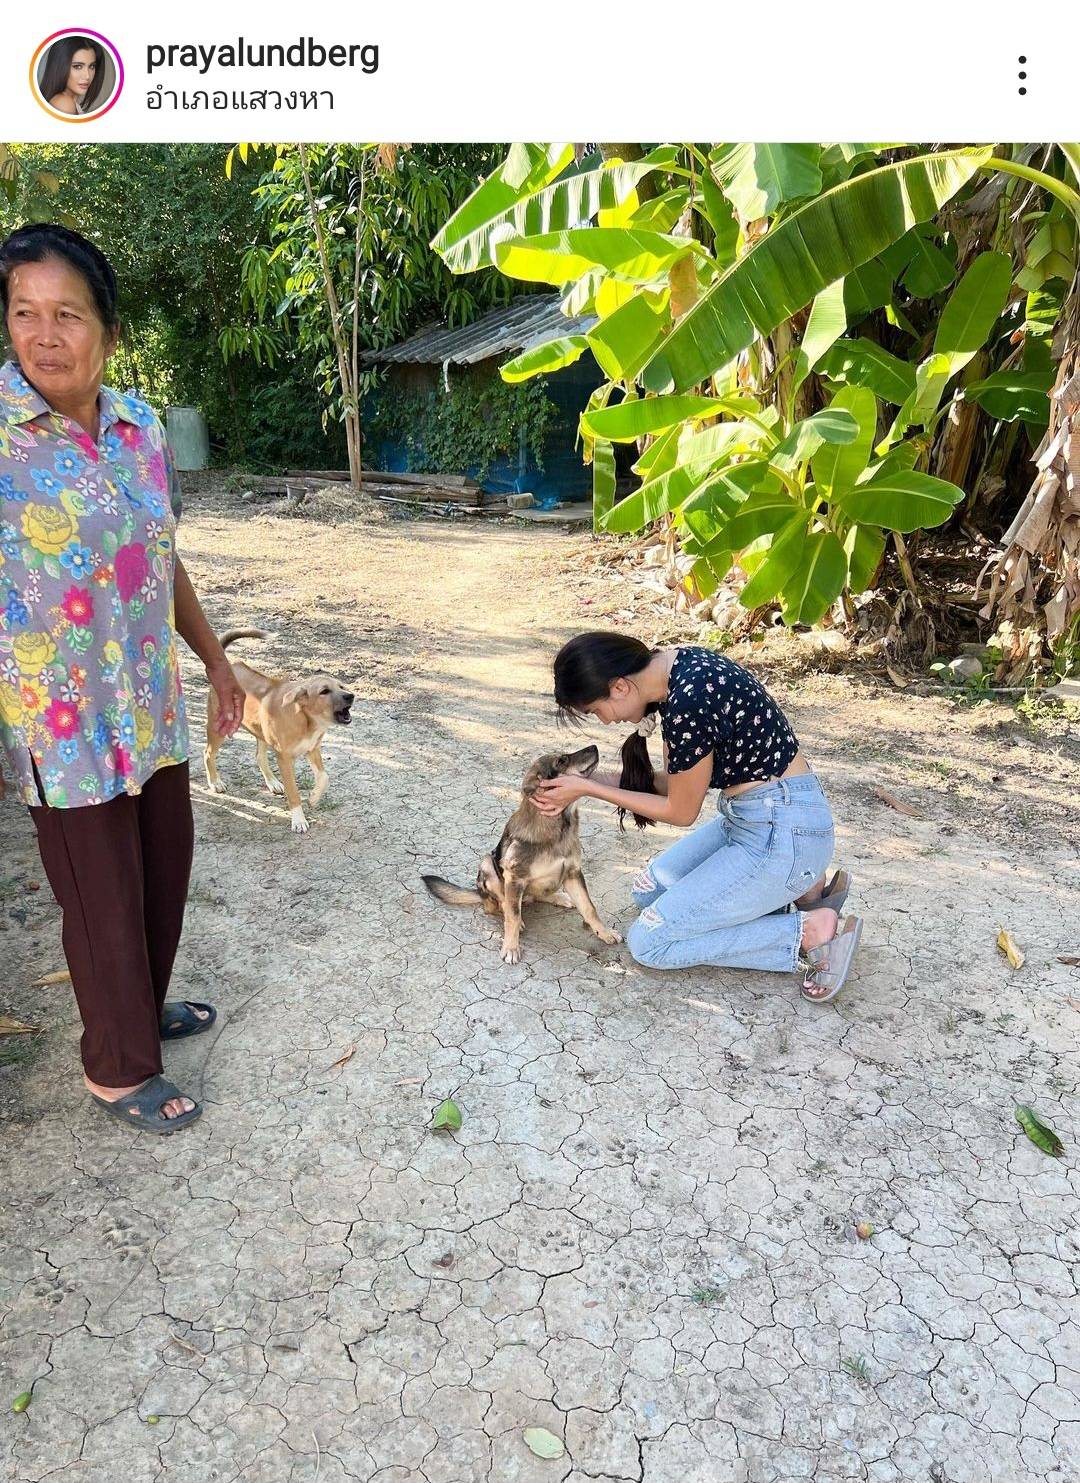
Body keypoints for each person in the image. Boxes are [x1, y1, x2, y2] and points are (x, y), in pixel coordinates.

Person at [0, 223, 245, 1130]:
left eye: (66, 314)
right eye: (23, 313)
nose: (44, 336)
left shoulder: (140, 429)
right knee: (100, 897)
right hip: (57, 720)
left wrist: (215, 660)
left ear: (108, 329)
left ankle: (138, 1007)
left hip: (148, 701)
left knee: (160, 871)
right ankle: (116, 1065)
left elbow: (159, 557)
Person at [532, 632, 863, 1003]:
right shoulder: (675, 670)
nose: (606, 722)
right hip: (756, 821)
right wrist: (589, 781)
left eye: (596, 711)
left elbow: (680, 810)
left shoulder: (688, 702)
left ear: (619, 687)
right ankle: (801, 888)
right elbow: (675, 785)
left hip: (781, 832)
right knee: (648, 890)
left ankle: (808, 930)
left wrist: (589, 790)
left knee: (650, 942)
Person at [41, 37, 105, 116]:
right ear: (59, 67)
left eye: (91, 66)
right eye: (77, 66)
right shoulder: (63, 103)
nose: (87, 76)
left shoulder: (69, 102)